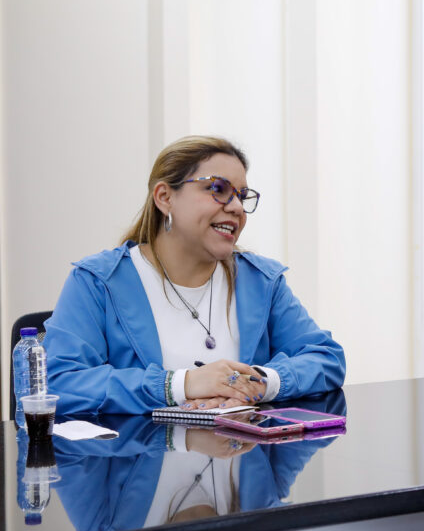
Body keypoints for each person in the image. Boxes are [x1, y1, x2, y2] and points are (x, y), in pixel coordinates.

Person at [44, 135, 346, 414]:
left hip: (243, 463)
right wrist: (182, 384)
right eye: (218, 189)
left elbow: (325, 358)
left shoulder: (261, 281)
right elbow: (60, 384)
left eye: (242, 195)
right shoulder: (98, 282)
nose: (237, 207)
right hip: (138, 463)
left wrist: (260, 382)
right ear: (164, 197)